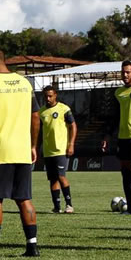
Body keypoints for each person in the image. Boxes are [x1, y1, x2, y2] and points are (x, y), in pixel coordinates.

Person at [0, 48, 39, 258]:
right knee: (24, 198)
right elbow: (36, 117)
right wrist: (32, 145)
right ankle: (33, 246)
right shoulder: (25, 84)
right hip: (22, 150)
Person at [101, 61, 131, 215]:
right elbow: (114, 117)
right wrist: (107, 136)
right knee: (126, 173)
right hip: (124, 139)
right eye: (123, 72)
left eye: (128, 72)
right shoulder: (119, 93)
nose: (125, 75)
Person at [38, 85, 77, 214]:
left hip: (61, 149)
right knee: (53, 179)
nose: (48, 98)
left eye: (50, 96)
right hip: (48, 151)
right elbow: (39, 131)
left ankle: (69, 205)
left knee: (61, 176)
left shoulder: (64, 109)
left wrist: (71, 144)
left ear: (55, 95)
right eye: (45, 96)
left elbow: (73, 126)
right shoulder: (41, 112)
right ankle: (56, 206)